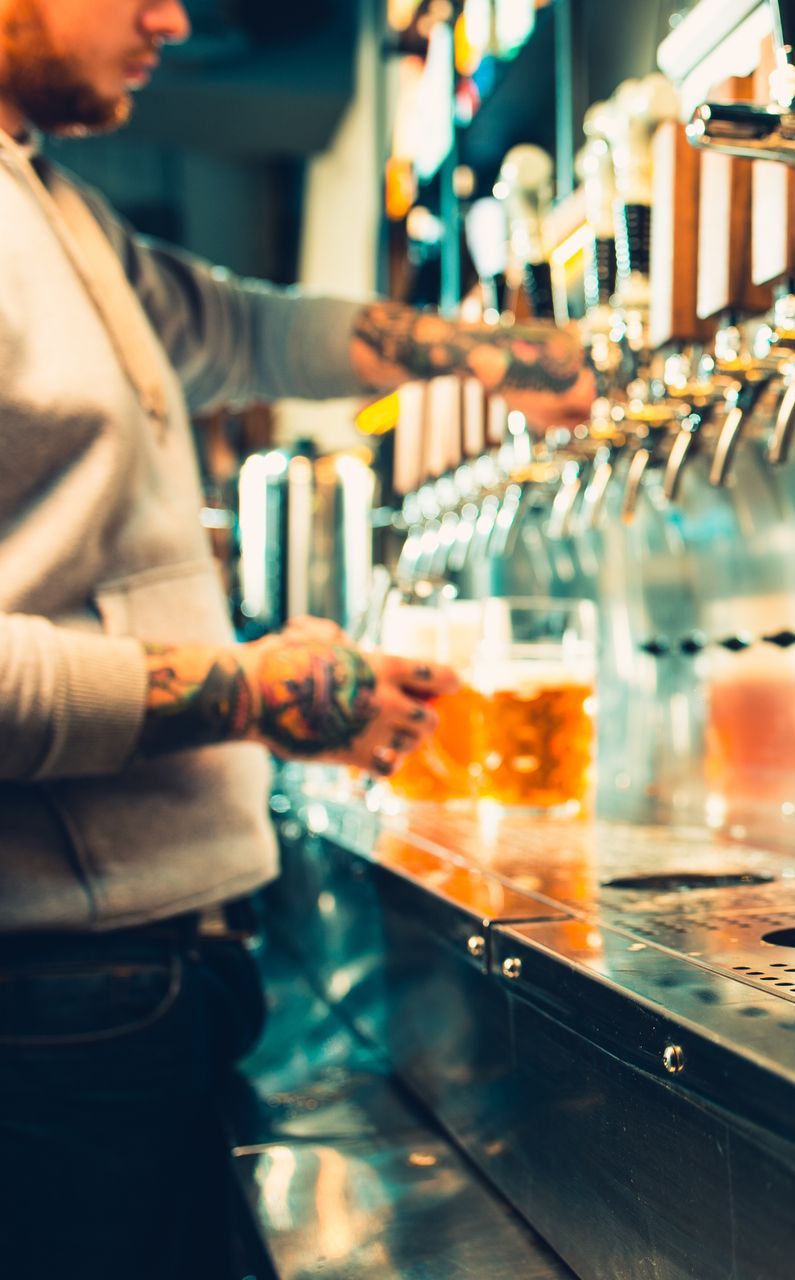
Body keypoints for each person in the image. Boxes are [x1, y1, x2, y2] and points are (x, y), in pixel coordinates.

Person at [0, 2, 599, 1275]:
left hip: (144, 977)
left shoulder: (42, 198)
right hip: (51, 998)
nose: (173, 17)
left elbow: (236, 328)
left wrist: (481, 350)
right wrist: (253, 690)